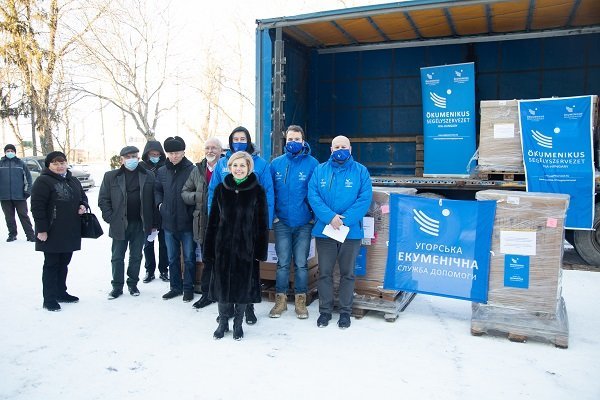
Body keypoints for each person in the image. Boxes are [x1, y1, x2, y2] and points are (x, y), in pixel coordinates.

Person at [207, 126, 274, 325]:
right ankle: (225, 312)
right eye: (235, 138)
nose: (239, 140)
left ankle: (248, 309)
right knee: (224, 276)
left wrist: (263, 235)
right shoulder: (221, 167)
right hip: (225, 237)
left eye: (242, 138)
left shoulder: (261, 166)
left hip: (247, 238)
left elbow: (267, 197)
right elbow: (213, 193)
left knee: (247, 277)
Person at [308, 135, 372, 329]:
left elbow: (364, 198)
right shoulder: (320, 171)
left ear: (350, 149)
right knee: (325, 273)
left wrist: (345, 220)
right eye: (337, 146)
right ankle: (325, 312)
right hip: (325, 230)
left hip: (350, 231)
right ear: (331, 149)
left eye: (344, 146)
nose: (340, 149)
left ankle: (345, 312)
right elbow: (313, 195)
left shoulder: (361, 171)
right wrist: (330, 218)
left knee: (348, 273)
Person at [269, 125, 318, 319]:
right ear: (285, 141)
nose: (293, 142)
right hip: (282, 222)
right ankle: (280, 302)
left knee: (301, 263)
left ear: (303, 141)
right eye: (290, 139)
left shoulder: (313, 164)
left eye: (297, 139)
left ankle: (300, 302)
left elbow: (316, 192)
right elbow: (269, 192)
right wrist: (273, 216)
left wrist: (313, 216)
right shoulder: (276, 164)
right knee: (282, 263)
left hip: (304, 223)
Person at [30, 151, 88, 312]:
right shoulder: (43, 181)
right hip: (51, 230)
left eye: (62, 162)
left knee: (64, 263)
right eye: (55, 163)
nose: (60, 166)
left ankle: (61, 292)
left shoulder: (72, 179)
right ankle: (49, 299)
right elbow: (37, 207)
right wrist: (41, 229)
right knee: (51, 265)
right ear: (48, 165)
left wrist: (83, 205)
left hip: (70, 230)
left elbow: (83, 197)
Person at [98, 146, 158, 299]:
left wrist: (153, 223)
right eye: (128, 157)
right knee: (117, 256)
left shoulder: (148, 175)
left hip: (140, 223)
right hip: (119, 223)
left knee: (136, 256)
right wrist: (110, 217)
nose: (132, 160)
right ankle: (117, 287)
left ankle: (133, 284)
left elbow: (153, 200)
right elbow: (103, 199)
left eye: (135, 157)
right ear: (122, 159)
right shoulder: (111, 176)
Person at [181, 137, 223, 309]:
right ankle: (207, 294)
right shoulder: (197, 170)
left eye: (214, 148)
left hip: (223, 223)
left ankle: (223, 294)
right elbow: (185, 192)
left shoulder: (228, 167)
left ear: (221, 151)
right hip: (203, 224)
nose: (210, 151)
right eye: (207, 148)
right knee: (208, 260)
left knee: (224, 261)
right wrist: (199, 197)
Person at [155, 136, 196, 302]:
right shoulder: (162, 171)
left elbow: (197, 191)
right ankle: (175, 287)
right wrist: (159, 205)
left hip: (187, 222)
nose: (174, 156)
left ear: (183, 152)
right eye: (171, 153)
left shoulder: (192, 170)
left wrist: (191, 211)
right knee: (172, 258)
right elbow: (157, 190)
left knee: (189, 258)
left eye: (177, 152)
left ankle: (188, 288)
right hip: (168, 222)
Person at [139, 140, 169, 283]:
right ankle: (149, 270)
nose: (155, 156)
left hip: (163, 211)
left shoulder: (165, 167)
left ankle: (164, 270)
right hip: (147, 212)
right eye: (152, 154)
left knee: (164, 244)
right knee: (148, 244)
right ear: (147, 154)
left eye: (157, 154)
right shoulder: (141, 168)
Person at [0, 144, 35, 242]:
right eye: (8, 151)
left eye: (11, 150)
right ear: (5, 152)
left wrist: (27, 192)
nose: (9, 152)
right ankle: (12, 234)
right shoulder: (1, 163)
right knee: (9, 217)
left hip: (20, 196)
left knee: (24, 216)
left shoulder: (21, 163)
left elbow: (28, 178)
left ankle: (30, 235)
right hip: (5, 196)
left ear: (15, 152)